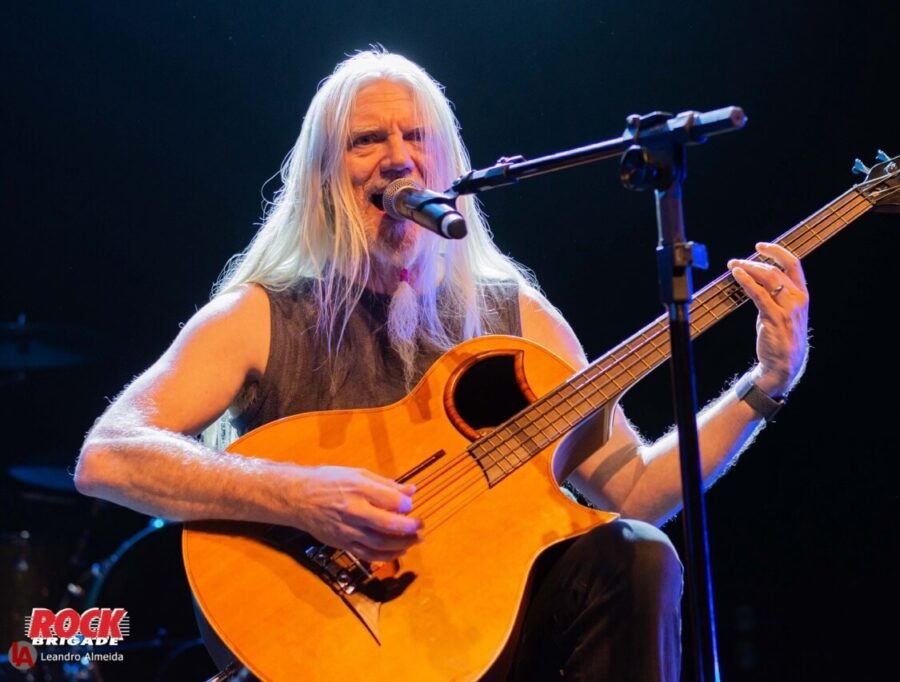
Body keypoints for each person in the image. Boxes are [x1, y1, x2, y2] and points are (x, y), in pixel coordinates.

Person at [74, 48, 809, 681]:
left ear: (449, 166)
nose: (399, 157)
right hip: (328, 647)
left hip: (486, 644)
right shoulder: (261, 315)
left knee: (638, 554)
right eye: (367, 140)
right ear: (325, 175)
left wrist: (764, 386)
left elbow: (635, 491)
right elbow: (108, 455)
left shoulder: (518, 321)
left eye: (417, 136)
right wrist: (298, 495)